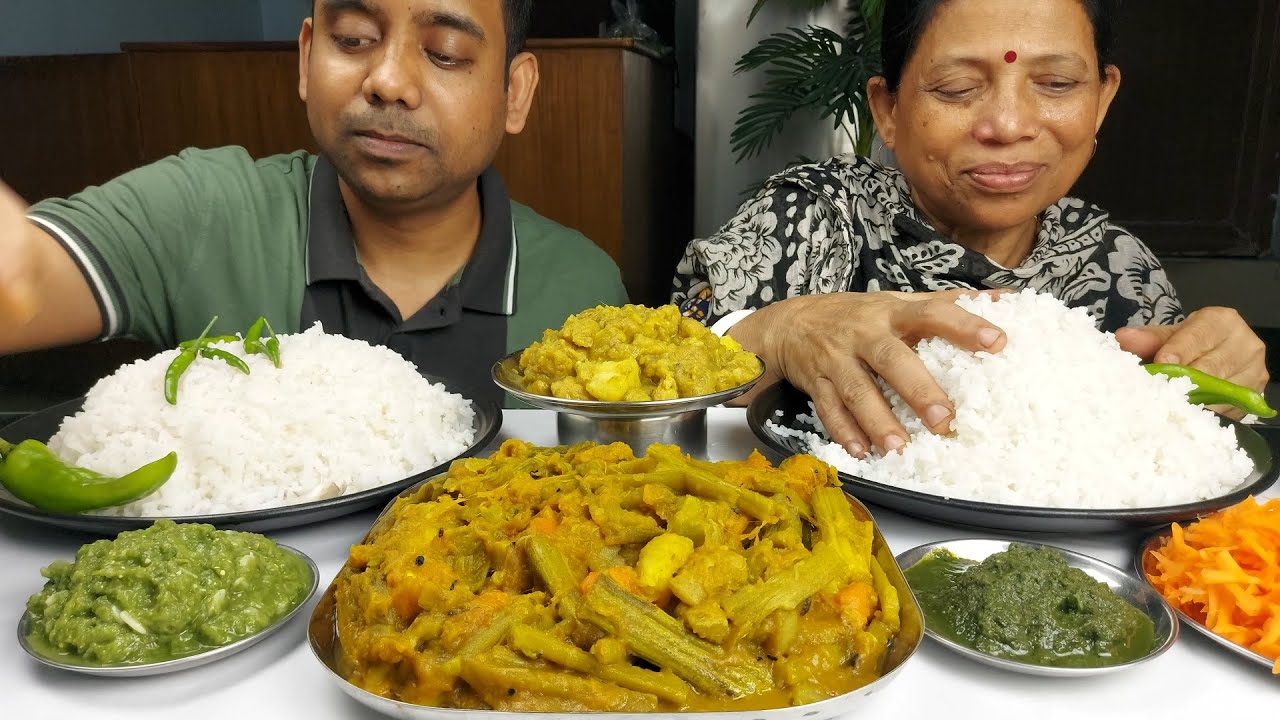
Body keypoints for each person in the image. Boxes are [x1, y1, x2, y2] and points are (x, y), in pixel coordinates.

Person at [673, 0, 1268, 455]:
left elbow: (1172, 449)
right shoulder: (812, 216)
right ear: (887, 109)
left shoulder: (1119, 266)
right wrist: (782, 330)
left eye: (1056, 84)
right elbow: (661, 373)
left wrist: (1226, 382)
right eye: (957, 89)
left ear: (1102, 100)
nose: (1007, 125)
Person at [0, 0, 628, 406]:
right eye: (353, 39)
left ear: (515, 93)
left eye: (445, 53)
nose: (388, 81)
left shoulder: (583, 291)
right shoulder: (201, 212)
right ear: (306, 57)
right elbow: (30, 269)